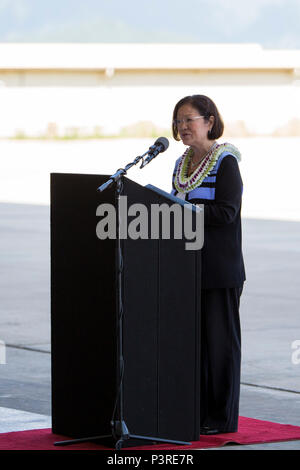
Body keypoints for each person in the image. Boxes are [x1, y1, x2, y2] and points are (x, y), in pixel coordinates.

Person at [171, 94, 246, 435]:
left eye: (189, 119)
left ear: (209, 121)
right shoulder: (181, 163)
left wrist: (185, 212)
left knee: (219, 347)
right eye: (178, 121)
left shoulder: (225, 161)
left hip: (219, 269)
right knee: (194, 346)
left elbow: (227, 212)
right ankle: (195, 412)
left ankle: (221, 418)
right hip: (188, 267)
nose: (182, 126)